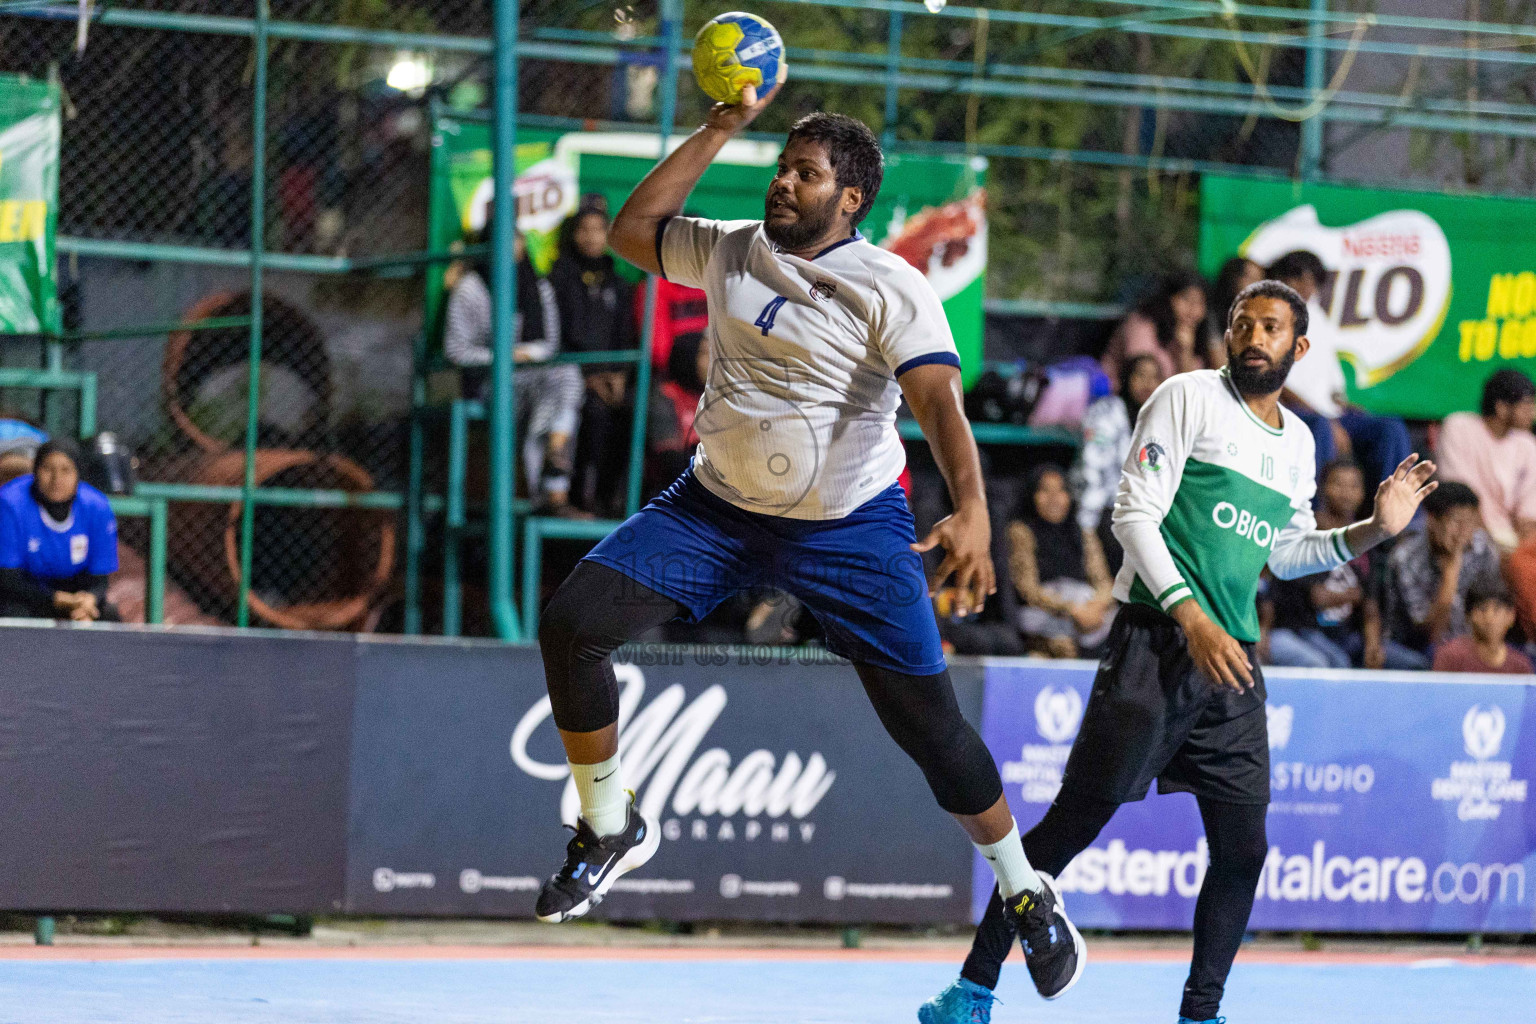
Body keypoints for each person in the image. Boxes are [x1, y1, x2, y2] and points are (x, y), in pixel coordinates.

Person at [532, 88, 1084, 998]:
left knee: (931, 729)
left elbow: (940, 402)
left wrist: (974, 506)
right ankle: (607, 825)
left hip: (848, 529)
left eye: (807, 173)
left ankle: (1026, 891)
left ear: (850, 197)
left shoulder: (890, 285)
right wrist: (719, 130)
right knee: (573, 624)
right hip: (715, 508)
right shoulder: (730, 248)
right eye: (782, 166)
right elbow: (636, 230)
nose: (784, 182)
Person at [923, 280, 1438, 1024]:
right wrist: (1190, 617)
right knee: (1069, 830)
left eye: (1270, 328)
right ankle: (970, 991)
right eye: (1242, 324)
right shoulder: (1186, 396)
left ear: (1298, 349)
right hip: (1153, 645)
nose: (1252, 337)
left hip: (1230, 666)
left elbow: (1289, 553)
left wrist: (1373, 531)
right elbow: (1134, 516)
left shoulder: (1298, 442)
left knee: (1244, 850)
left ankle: (1201, 1013)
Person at [443, 225, 586, 515]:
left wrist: (526, 354)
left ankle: (553, 454)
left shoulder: (538, 286)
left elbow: (550, 344)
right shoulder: (471, 289)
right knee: (554, 400)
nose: (511, 246)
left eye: (516, 239)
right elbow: (455, 351)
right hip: (489, 383)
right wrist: (503, 357)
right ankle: (551, 490)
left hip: (532, 376)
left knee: (566, 373)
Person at [1269, 251, 1413, 489]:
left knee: (1390, 428)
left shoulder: (1316, 317)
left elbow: (1330, 381)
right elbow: (1278, 386)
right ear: (1282, 279)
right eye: (1300, 279)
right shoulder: (1269, 318)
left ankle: (1393, 513)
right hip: (1294, 412)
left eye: (1312, 281)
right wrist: (1329, 421)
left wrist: (1346, 406)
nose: (1307, 287)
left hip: (1331, 413)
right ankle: (1316, 514)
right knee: (1322, 429)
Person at [548, 203, 639, 517]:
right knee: (594, 415)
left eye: (599, 229)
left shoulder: (616, 281)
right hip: (573, 377)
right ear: (573, 234)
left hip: (612, 378)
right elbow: (558, 334)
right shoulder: (558, 278)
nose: (591, 237)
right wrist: (588, 375)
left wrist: (620, 374)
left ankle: (613, 501)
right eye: (584, 229)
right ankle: (580, 500)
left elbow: (626, 333)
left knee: (632, 412)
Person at [1434, 368, 1536, 629]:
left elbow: (1528, 516)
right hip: (1468, 528)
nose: (1533, 414)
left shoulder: (1527, 444)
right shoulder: (1459, 427)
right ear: (1501, 407)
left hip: (1512, 539)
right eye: (1527, 406)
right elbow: (1463, 501)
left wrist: (1521, 550)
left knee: (1524, 562)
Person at [1382, 481, 1504, 665]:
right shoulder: (1406, 558)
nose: (1464, 531)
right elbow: (1429, 634)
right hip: (1413, 645)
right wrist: (1451, 572)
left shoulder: (1482, 548)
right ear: (1432, 520)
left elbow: (1493, 602)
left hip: (1471, 641)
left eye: (1470, 521)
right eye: (1456, 521)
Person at [0, 439, 121, 622]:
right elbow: (8, 579)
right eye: (48, 469)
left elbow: (100, 579)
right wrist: (56, 600)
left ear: (78, 474)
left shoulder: (97, 506)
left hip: (75, 594)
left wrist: (89, 600)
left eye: (66, 470)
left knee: (108, 616)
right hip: (26, 594)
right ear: (35, 472)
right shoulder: (10, 503)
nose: (57, 479)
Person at [1071, 353, 1166, 575]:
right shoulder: (1104, 413)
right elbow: (1091, 472)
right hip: (1104, 514)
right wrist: (1086, 529)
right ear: (1125, 378)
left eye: (1155, 377)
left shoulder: (1163, 419)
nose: (1147, 384)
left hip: (1146, 516)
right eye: (1140, 375)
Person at [1009, 464, 1115, 657]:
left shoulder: (1082, 533)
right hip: (1046, 613)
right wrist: (1072, 610)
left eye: (1061, 490)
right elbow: (1028, 588)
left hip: (1086, 613)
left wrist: (1096, 606)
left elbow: (1103, 581)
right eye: (1045, 491)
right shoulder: (1021, 532)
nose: (1054, 499)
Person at [1101, 272, 1208, 387]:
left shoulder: (1196, 334)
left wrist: (1185, 352)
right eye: (1186, 299)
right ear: (1168, 298)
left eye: (1199, 303)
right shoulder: (1141, 324)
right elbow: (1141, 383)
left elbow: (1192, 389)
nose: (1192, 310)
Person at [1432, 583, 1534, 675]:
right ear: (1468, 615)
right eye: (1482, 609)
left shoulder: (1521, 666)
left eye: (1497, 609)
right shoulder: (1450, 657)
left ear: (1511, 615)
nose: (1489, 619)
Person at [1205, 256, 1263, 368]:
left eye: (1260, 281)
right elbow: (1220, 365)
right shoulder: (1211, 314)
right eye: (1251, 279)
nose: (1258, 287)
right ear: (1233, 278)